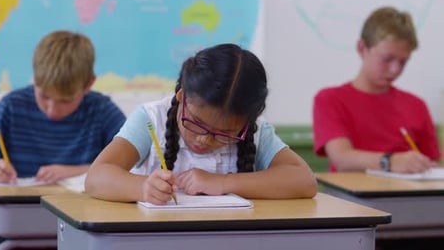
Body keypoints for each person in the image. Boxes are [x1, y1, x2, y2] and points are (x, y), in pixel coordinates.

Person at [85, 43, 318, 204]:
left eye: (225, 133)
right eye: (196, 123)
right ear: (182, 97)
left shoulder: (256, 132)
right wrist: (143, 187)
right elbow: (97, 178)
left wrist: (224, 183)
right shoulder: (151, 119)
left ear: (247, 123)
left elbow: (304, 181)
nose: (204, 139)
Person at [0, 30, 126, 184]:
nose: (52, 110)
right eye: (44, 96)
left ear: (88, 84)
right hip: (20, 213)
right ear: (35, 79)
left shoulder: (102, 111)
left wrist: (74, 172)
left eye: (66, 101)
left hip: (81, 214)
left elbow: (136, 167)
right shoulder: (13, 106)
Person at [313, 6, 441, 173]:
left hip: (407, 197)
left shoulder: (416, 105)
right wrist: (391, 161)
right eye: (387, 59)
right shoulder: (330, 99)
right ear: (361, 48)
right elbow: (342, 158)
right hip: (350, 197)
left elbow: (431, 163)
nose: (395, 69)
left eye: (403, 62)